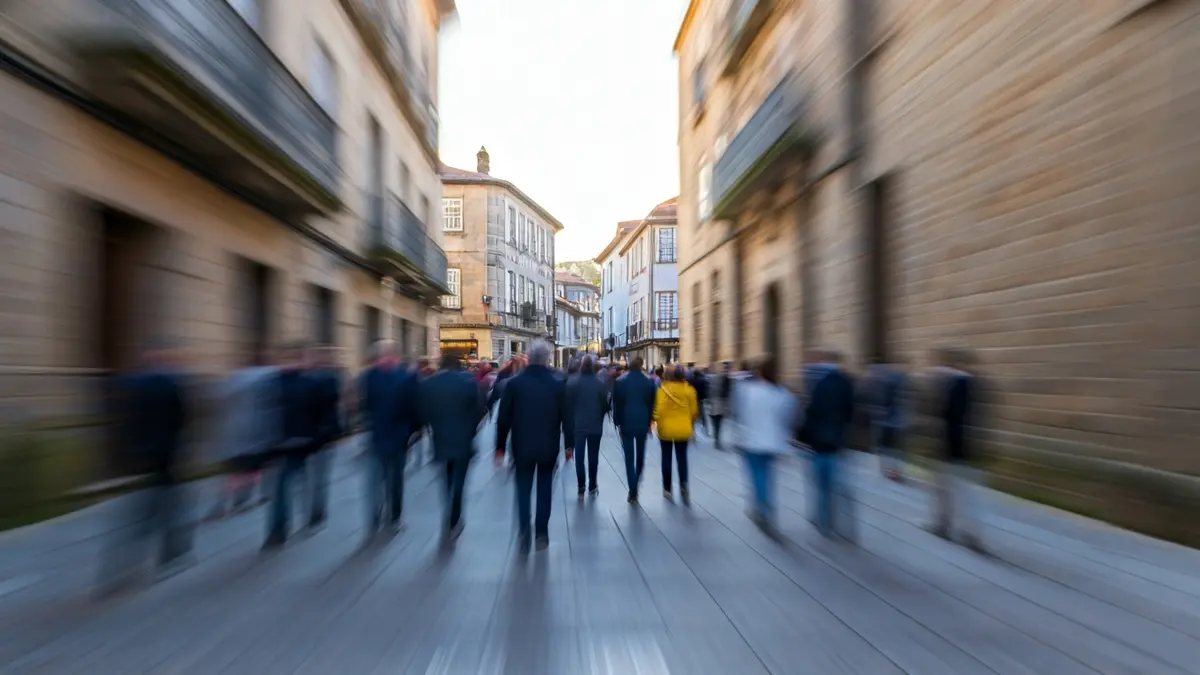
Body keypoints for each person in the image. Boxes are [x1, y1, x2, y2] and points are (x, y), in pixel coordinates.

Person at [97, 338, 193, 592]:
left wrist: (129, 453)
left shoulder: (135, 383)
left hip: (147, 456)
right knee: (166, 508)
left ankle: (123, 567)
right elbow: (182, 420)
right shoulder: (172, 383)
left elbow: (127, 422)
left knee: (144, 511)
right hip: (166, 456)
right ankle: (172, 554)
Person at [495, 340, 572, 552]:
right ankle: (541, 533)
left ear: (528, 357)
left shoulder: (515, 384)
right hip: (548, 446)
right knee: (545, 489)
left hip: (522, 447)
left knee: (522, 489)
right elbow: (567, 417)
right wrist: (569, 445)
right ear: (547, 358)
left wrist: (499, 446)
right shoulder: (557, 384)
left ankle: (523, 532)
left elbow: (504, 419)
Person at [263, 342, 324, 549]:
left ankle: (278, 530)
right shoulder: (310, 382)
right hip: (300, 442)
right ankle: (304, 518)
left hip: (282, 442)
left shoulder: (273, 382)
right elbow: (317, 414)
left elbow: (267, 412)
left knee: (282, 486)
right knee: (298, 481)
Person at [207, 351, 280, 521]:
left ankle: (223, 502)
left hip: (233, 432)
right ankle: (246, 499)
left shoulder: (234, 378)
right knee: (256, 468)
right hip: (259, 431)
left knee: (235, 470)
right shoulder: (270, 377)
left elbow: (219, 399)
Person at [421, 353, 487, 543]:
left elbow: (424, 412)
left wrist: (433, 427)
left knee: (447, 479)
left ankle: (448, 511)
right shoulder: (468, 382)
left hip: (441, 438)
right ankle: (454, 518)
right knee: (459, 481)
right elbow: (480, 409)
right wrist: (471, 429)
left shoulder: (431, 384)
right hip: (463, 439)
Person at [359, 340, 420, 541]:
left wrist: (410, 433)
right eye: (381, 355)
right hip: (377, 436)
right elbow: (365, 405)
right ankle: (375, 518)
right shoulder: (369, 376)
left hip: (398, 437)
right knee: (375, 480)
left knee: (395, 480)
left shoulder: (406, 377)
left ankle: (394, 517)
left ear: (394, 357)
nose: (384, 358)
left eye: (387, 355)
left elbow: (414, 408)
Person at [732, 357, 800, 535]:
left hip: (751, 440)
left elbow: (740, 414)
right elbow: (790, 417)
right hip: (773, 442)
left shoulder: (747, 390)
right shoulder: (782, 393)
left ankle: (761, 508)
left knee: (756, 475)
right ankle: (763, 507)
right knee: (767, 475)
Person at [930, 344, 985, 552]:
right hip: (965, 446)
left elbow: (946, 415)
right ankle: (946, 525)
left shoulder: (956, 384)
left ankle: (956, 529)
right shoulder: (973, 382)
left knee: (954, 490)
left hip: (953, 447)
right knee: (953, 490)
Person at [798, 348, 856, 538]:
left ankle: (824, 523)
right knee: (838, 484)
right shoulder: (846, 382)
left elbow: (812, 413)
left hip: (820, 443)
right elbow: (850, 413)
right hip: (838, 441)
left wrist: (804, 438)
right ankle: (845, 526)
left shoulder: (819, 384)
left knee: (822, 485)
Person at [306, 345, 345, 529]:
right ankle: (317, 510)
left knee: (312, 475)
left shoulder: (307, 379)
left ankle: (314, 510)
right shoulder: (332, 380)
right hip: (325, 435)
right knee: (320, 475)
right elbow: (337, 405)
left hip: (311, 435)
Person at [612, 357, 657, 503]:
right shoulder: (649, 382)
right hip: (642, 422)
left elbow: (616, 405)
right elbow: (652, 404)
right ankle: (636, 481)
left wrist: (617, 422)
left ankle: (632, 489)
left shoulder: (620, 382)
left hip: (626, 422)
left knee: (629, 458)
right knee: (640, 456)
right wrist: (650, 420)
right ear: (642, 366)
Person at [654, 365, 699, 504]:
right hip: (683, 429)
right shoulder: (689, 390)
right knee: (682, 458)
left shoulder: (662, 390)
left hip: (666, 429)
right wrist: (688, 422)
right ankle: (683, 484)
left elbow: (658, 410)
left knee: (666, 458)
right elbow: (694, 412)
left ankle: (667, 488)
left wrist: (654, 420)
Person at [565, 355, 609, 498]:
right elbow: (605, 406)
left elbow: (568, 407)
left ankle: (581, 485)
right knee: (593, 455)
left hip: (579, 425)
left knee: (579, 456)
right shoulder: (600, 385)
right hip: (595, 424)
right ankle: (593, 483)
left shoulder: (572, 383)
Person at [864, 356, 911, 482]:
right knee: (896, 448)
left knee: (885, 447)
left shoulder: (877, 378)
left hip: (885, 420)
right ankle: (894, 471)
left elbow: (873, 400)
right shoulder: (901, 378)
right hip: (898, 420)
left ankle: (889, 471)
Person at [709, 361, 734, 450]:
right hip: (720, 403)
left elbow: (710, 391)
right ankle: (717, 440)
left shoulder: (715, 378)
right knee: (718, 422)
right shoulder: (726, 378)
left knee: (716, 422)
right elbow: (728, 392)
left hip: (715, 403)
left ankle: (716, 439)